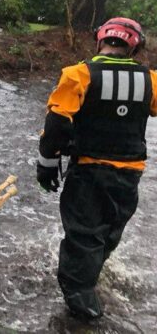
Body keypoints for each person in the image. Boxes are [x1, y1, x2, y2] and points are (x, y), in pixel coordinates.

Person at [36, 17, 154, 320]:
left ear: (100, 40)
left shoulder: (78, 74)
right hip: (129, 175)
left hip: (88, 171)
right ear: (135, 47)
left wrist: (47, 163)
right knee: (108, 232)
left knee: (84, 233)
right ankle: (86, 285)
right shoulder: (150, 80)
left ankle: (80, 298)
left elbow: (58, 122)